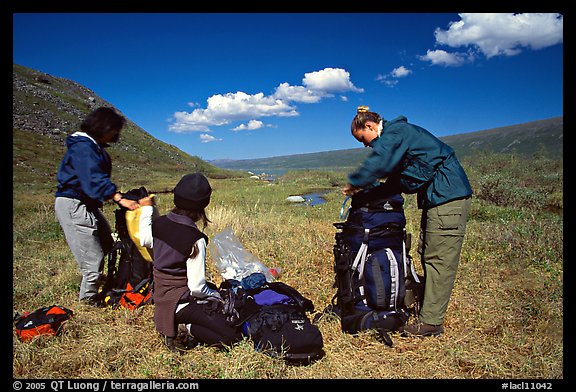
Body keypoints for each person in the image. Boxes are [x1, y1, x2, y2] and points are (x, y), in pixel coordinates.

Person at [343, 106, 473, 337]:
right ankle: (427, 306)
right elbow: (402, 181)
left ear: (371, 126)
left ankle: (431, 322)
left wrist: (357, 181)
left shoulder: (396, 134)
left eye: (363, 139)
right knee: (428, 252)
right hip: (439, 198)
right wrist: (371, 193)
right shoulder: (401, 137)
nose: (366, 146)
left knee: (439, 259)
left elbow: (380, 159)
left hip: (448, 199)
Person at [138, 173, 242, 352]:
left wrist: (147, 211)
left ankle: (182, 321)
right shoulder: (195, 239)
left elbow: (144, 240)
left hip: (160, 295)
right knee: (230, 335)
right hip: (181, 300)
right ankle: (187, 326)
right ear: (203, 204)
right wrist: (216, 296)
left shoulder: (160, 223)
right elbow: (197, 288)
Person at [55, 107, 139, 306]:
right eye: (114, 130)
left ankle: (105, 281)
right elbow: (92, 177)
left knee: (107, 243)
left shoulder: (91, 146)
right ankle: (88, 299)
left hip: (86, 204)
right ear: (104, 127)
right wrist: (119, 198)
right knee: (93, 256)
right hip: (73, 203)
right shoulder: (83, 147)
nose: (116, 135)